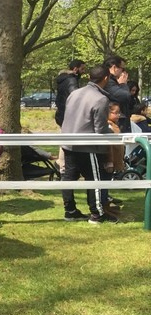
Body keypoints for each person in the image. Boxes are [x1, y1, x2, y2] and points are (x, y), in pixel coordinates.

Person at [60, 65, 117, 224]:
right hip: (88, 146)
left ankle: (70, 211)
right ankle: (97, 214)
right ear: (105, 78)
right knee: (95, 179)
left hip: (69, 143)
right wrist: (112, 133)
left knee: (69, 178)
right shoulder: (100, 98)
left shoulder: (74, 93)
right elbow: (100, 129)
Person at [103, 55, 132, 132]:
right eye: (122, 69)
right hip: (113, 124)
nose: (124, 72)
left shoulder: (112, 82)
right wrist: (123, 84)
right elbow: (125, 96)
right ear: (114, 68)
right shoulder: (108, 81)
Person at [55, 59, 86, 127]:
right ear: (75, 69)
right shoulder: (71, 80)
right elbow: (75, 96)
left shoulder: (63, 79)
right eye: (82, 69)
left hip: (61, 113)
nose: (84, 71)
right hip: (69, 115)